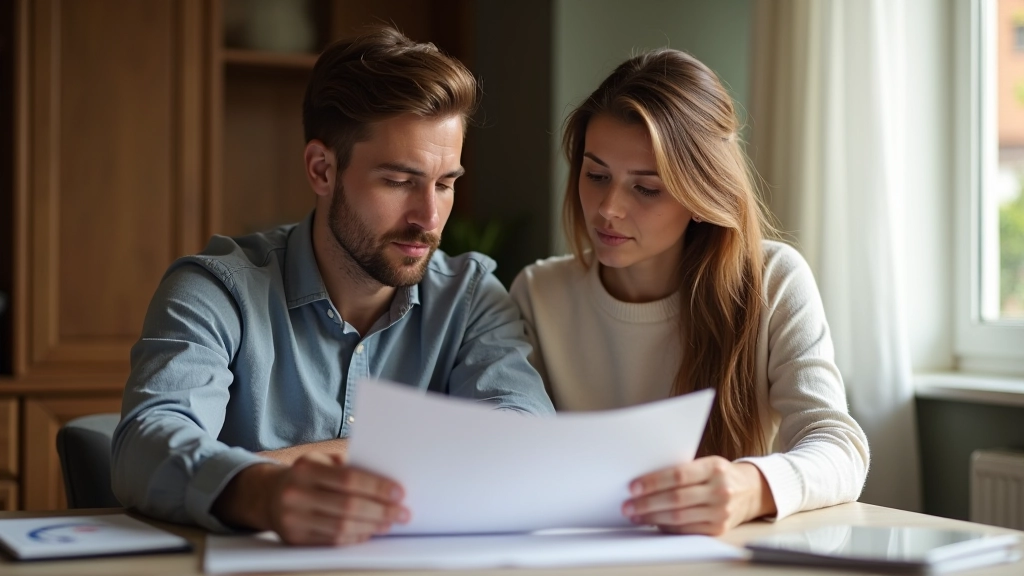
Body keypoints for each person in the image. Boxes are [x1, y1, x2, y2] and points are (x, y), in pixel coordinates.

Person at [112, 27, 554, 546]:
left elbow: (525, 441)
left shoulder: (472, 296)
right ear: (322, 169)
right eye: (398, 181)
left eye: (445, 183)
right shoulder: (216, 290)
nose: (428, 218)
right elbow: (147, 445)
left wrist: (289, 461)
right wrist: (266, 495)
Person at [510, 49, 869, 535]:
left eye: (647, 188)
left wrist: (750, 486)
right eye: (596, 176)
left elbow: (838, 445)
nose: (609, 208)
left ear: (702, 195)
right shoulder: (538, 292)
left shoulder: (773, 279)